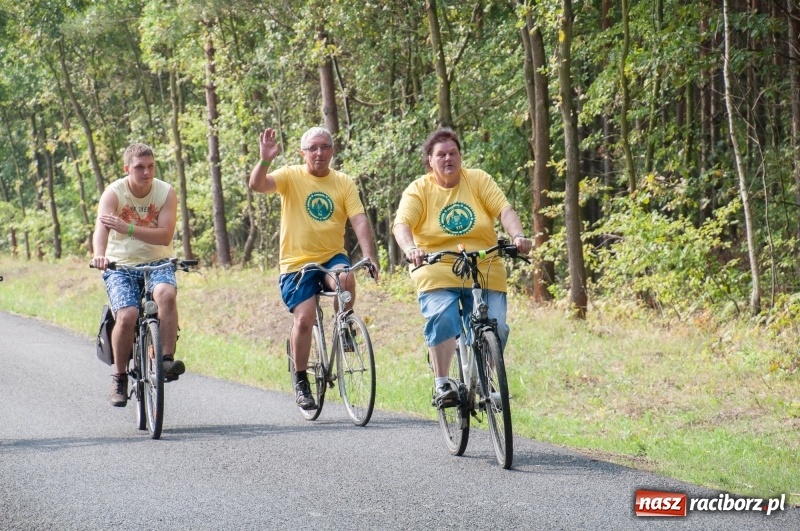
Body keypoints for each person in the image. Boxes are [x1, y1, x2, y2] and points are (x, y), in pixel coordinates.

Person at [392, 127, 532, 408]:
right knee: (443, 318)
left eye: (453, 153)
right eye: (440, 154)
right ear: (429, 160)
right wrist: (411, 249)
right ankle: (442, 382)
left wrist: (517, 236)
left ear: (460, 156)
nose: (448, 159)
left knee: (497, 327)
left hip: (484, 266)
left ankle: (484, 382)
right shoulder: (419, 190)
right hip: (437, 267)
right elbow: (402, 225)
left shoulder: (478, 180)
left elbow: (504, 211)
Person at [248, 126, 379, 410]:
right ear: (303, 153)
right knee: (305, 319)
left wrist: (368, 254)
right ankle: (300, 380)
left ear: (332, 151)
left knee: (346, 277)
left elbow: (358, 219)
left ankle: (344, 328)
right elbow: (257, 185)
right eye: (313, 148)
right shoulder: (291, 176)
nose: (319, 153)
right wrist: (265, 160)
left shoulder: (343, 182)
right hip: (297, 263)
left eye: (325, 147)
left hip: (332, 256)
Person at [91, 143, 185, 407]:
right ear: (127, 169)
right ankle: (119, 376)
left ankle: (166, 359)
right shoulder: (114, 193)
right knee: (127, 314)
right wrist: (101, 255)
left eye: (151, 166)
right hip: (120, 264)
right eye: (140, 167)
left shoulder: (165, 192)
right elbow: (102, 230)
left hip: (158, 260)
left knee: (166, 294)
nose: (146, 172)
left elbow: (165, 234)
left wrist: (128, 227)